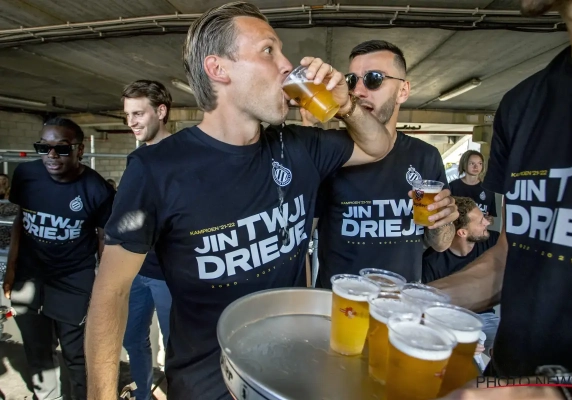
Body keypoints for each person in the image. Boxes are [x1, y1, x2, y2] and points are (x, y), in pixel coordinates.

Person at [83, 2, 420, 398]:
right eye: (268, 50)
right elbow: (111, 294)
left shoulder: (299, 147)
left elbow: (378, 145)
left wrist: (346, 105)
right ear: (218, 69)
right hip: (209, 385)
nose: (287, 64)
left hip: (293, 375)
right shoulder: (156, 169)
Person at [434, 0, 572, 398]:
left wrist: (548, 394)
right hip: (504, 377)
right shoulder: (523, 103)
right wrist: (419, 300)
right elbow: (510, 257)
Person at [316, 40, 458, 288]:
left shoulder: (425, 156)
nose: (358, 91)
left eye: (374, 79)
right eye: (352, 81)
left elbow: (441, 243)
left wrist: (442, 219)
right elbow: (300, 239)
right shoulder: (329, 153)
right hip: (342, 302)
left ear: (403, 90)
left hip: (401, 302)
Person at [2, 117, 115, 400]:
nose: (51, 155)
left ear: (79, 150)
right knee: (38, 351)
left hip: (73, 281)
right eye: (44, 148)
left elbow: (104, 238)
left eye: (62, 148)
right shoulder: (26, 175)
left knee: (78, 354)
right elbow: (20, 220)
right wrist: (11, 269)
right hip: (29, 277)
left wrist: (104, 287)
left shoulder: (96, 189)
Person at [120, 80, 173, 400]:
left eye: (138, 113)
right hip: (137, 269)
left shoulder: (185, 157)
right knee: (132, 338)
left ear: (161, 111)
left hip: (170, 274)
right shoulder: (136, 160)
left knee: (176, 344)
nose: (131, 122)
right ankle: (143, 392)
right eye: (127, 115)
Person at [422, 196, 499, 354]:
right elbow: (429, 312)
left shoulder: (494, 242)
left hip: (486, 317)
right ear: (462, 232)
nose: (487, 222)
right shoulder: (432, 261)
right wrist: (455, 338)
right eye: (481, 221)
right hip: (451, 321)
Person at [449, 150, 497, 224]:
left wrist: (489, 220)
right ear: (464, 164)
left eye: (479, 163)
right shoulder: (453, 186)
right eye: (472, 163)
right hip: (458, 229)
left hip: (479, 230)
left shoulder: (488, 189)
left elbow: (491, 217)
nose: (476, 167)